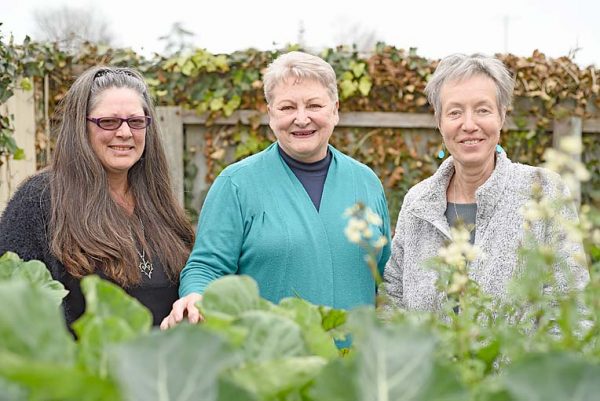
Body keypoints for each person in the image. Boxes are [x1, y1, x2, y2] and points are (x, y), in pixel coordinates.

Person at [161, 51, 391, 329]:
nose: (302, 118)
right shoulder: (236, 184)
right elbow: (206, 267)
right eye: (287, 107)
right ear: (271, 115)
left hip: (354, 364)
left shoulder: (366, 182)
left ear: (335, 110)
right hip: (271, 363)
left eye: (314, 105)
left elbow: (386, 275)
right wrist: (195, 295)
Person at [383, 53, 589, 311]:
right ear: (439, 122)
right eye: (455, 112)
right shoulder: (417, 202)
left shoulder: (545, 191)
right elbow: (393, 297)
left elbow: (571, 307)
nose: (469, 125)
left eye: (482, 110)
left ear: (501, 116)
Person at [0, 66, 195, 328]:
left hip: (162, 366)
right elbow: (17, 307)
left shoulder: (158, 202)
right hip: (85, 367)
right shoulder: (40, 200)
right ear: (81, 127)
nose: (125, 132)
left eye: (136, 122)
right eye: (109, 122)